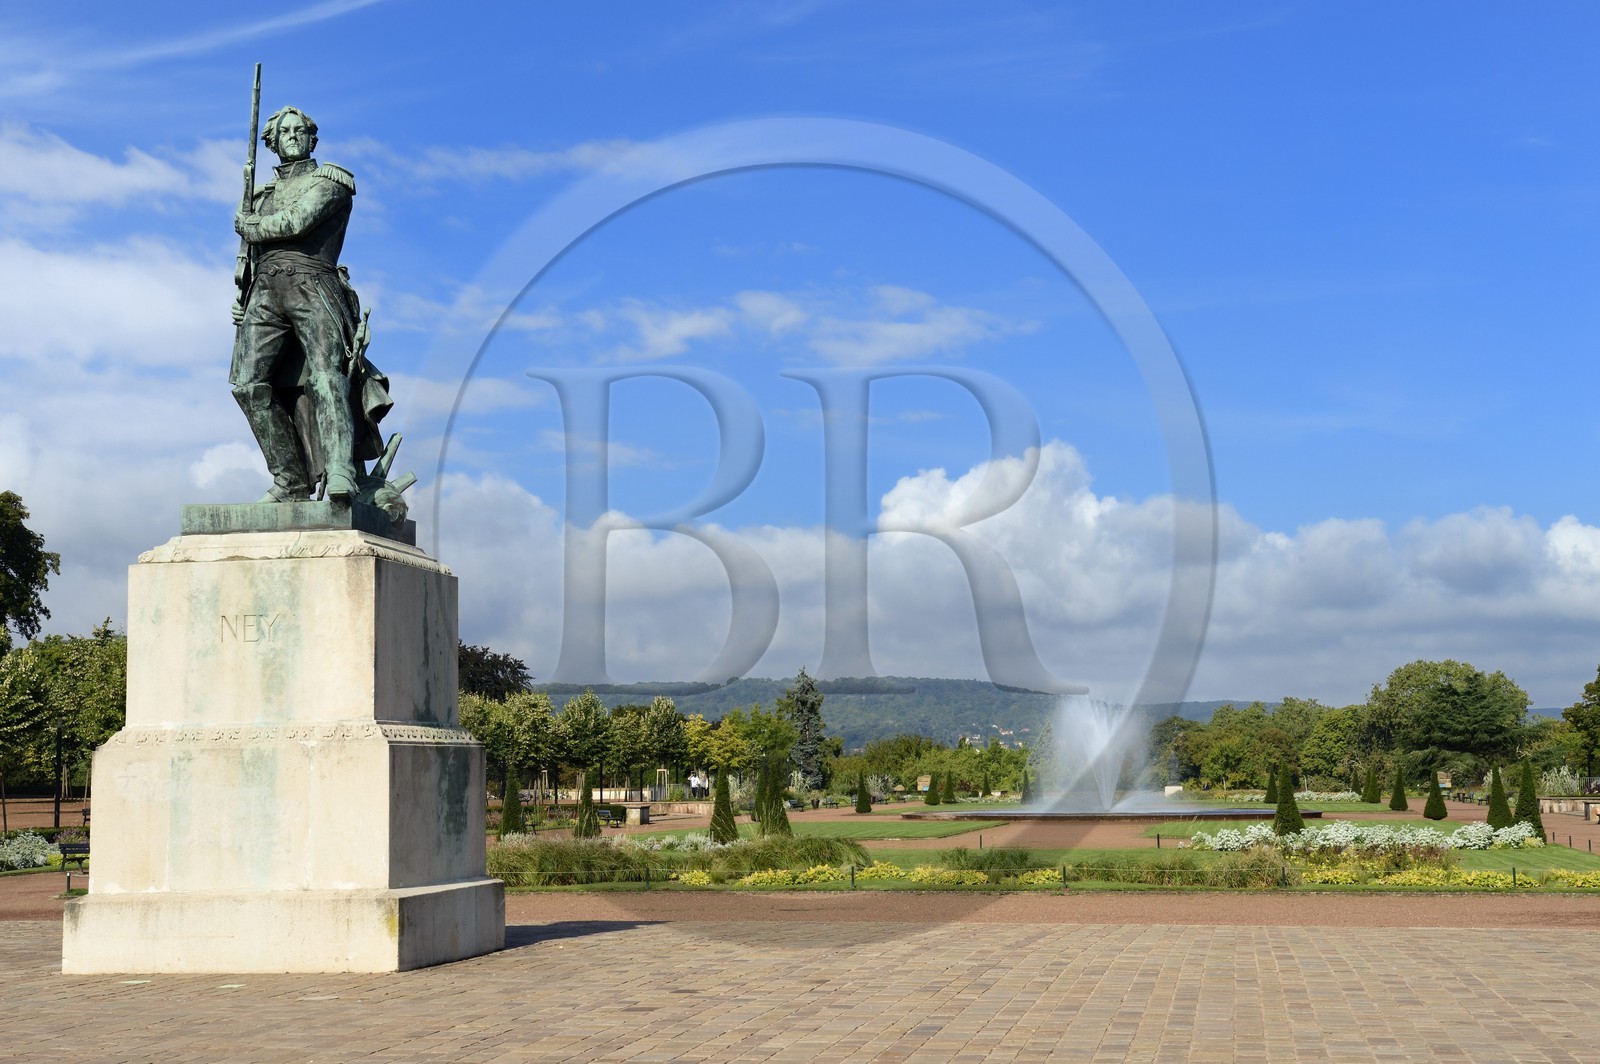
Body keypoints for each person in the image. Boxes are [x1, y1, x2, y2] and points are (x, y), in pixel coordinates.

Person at [230, 105, 392, 503]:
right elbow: (250, 255)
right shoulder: (261, 194)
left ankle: (340, 471)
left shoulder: (332, 181)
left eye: (298, 131)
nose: (291, 137)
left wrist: (248, 224)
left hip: (313, 283)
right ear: (271, 142)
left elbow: (298, 221)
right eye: (283, 132)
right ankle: (291, 481)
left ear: (311, 138)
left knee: (324, 377)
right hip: (265, 291)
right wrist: (243, 291)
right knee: (247, 385)